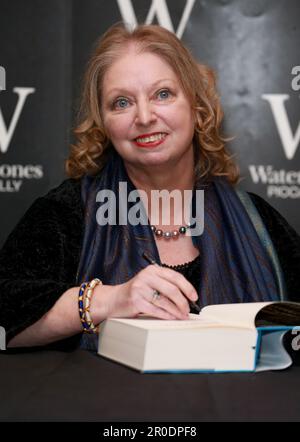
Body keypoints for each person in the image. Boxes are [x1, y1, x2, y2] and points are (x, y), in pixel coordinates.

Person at [0, 23, 299, 352]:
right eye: (122, 103)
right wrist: (109, 300)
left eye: (163, 94)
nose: (144, 116)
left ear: (197, 108)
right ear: (103, 122)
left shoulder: (258, 223)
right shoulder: (68, 212)